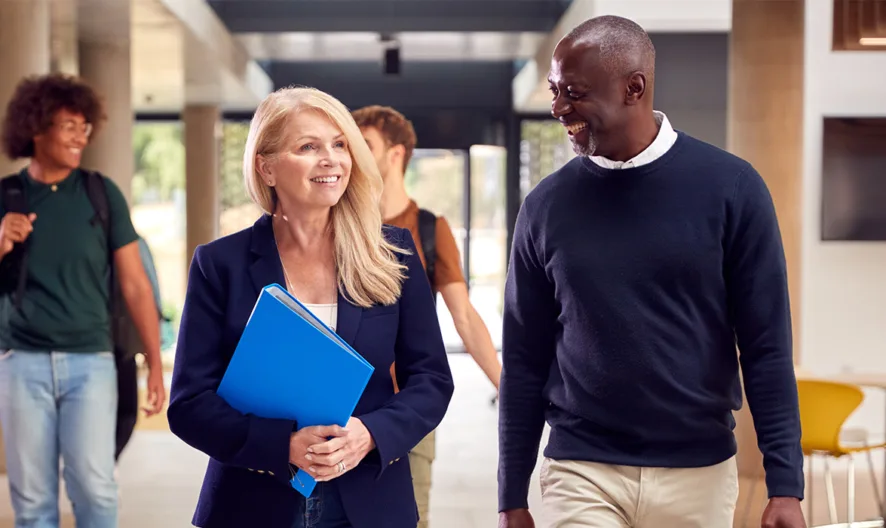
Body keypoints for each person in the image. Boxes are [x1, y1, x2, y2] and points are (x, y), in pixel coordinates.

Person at [497, 15, 805, 528]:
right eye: (554, 90)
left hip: (698, 471)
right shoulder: (545, 207)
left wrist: (785, 484)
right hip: (581, 466)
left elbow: (766, 344)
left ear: (633, 88)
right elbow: (525, 356)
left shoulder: (732, 189)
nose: (558, 109)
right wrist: (512, 496)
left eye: (574, 92)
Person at [167, 86, 455, 528]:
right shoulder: (218, 264)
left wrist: (370, 434)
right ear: (266, 168)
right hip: (252, 503)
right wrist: (282, 444)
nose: (331, 159)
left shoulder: (393, 253)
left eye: (340, 145)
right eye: (308, 146)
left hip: (369, 502)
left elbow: (432, 380)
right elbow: (189, 404)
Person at [0, 73, 166, 527]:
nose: (81, 137)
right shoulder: (6, 196)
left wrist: (153, 361)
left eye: (84, 127)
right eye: (69, 125)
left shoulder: (100, 193)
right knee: (32, 501)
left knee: (94, 488)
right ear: (37, 128)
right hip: (21, 362)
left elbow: (135, 284)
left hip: (90, 363)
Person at [351, 104, 501, 528]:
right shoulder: (337, 221)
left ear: (395, 154)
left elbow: (465, 317)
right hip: (337, 405)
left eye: (365, 146)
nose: (352, 156)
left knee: (408, 520)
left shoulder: (430, 230)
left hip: (404, 407)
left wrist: (506, 389)